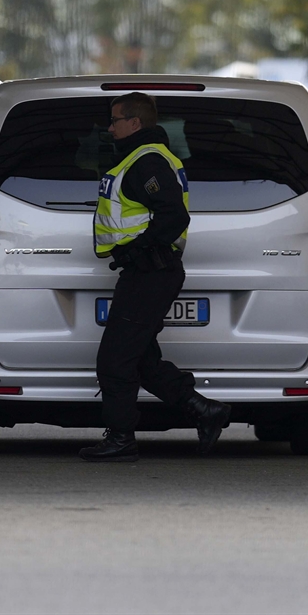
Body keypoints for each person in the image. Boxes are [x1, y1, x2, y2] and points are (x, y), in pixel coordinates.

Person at [79, 92, 233, 462]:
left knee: (114, 360)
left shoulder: (147, 162)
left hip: (150, 272)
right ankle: (204, 410)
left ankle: (121, 438)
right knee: (140, 359)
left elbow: (173, 215)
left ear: (135, 123)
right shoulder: (140, 158)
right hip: (148, 272)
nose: (110, 128)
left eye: (115, 121)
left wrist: (139, 249)